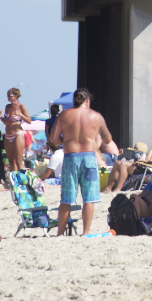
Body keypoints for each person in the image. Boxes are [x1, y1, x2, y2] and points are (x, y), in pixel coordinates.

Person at [48, 88, 113, 236]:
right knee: (88, 199)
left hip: (70, 157)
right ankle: (86, 232)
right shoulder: (96, 116)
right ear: (87, 100)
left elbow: (53, 139)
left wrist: (67, 139)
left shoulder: (64, 115)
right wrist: (94, 137)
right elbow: (108, 138)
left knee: (66, 199)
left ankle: (59, 234)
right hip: (89, 158)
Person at [0, 87, 31, 173]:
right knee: (11, 161)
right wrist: (0, 117)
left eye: (10, 95)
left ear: (16, 96)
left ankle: (23, 180)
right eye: (7, 95)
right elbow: (6, 122)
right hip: (8, 134)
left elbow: (29, 120)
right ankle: (14, 182)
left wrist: (20, 114)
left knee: (18, 161)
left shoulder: (21, 107)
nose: (8, 97)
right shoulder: (7, 107)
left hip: (17, 134)